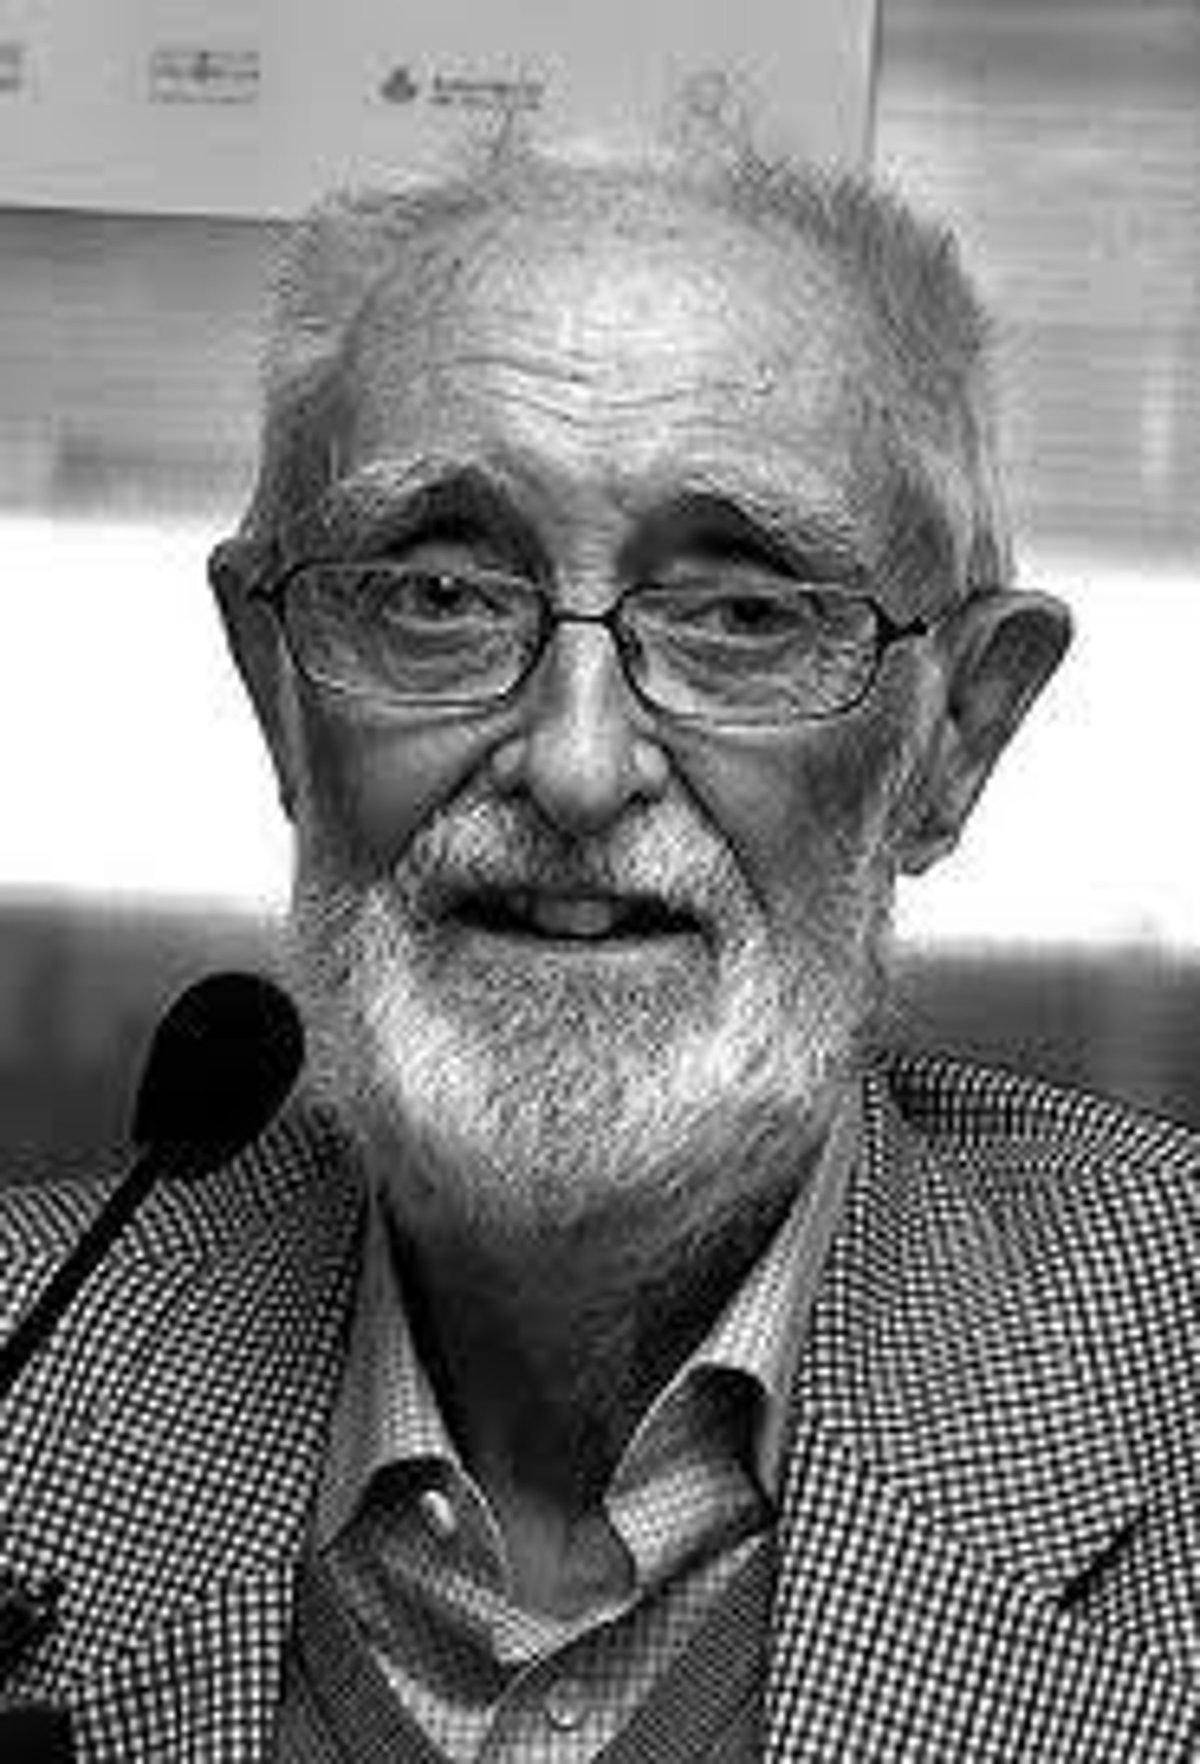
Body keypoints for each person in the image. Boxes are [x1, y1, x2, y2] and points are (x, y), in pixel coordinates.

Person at [3, 126, 1200, 1762]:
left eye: (744, 614)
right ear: (278, 685)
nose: (576, 768)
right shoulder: (32, 1379)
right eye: (436, 594)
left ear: (956, 739)